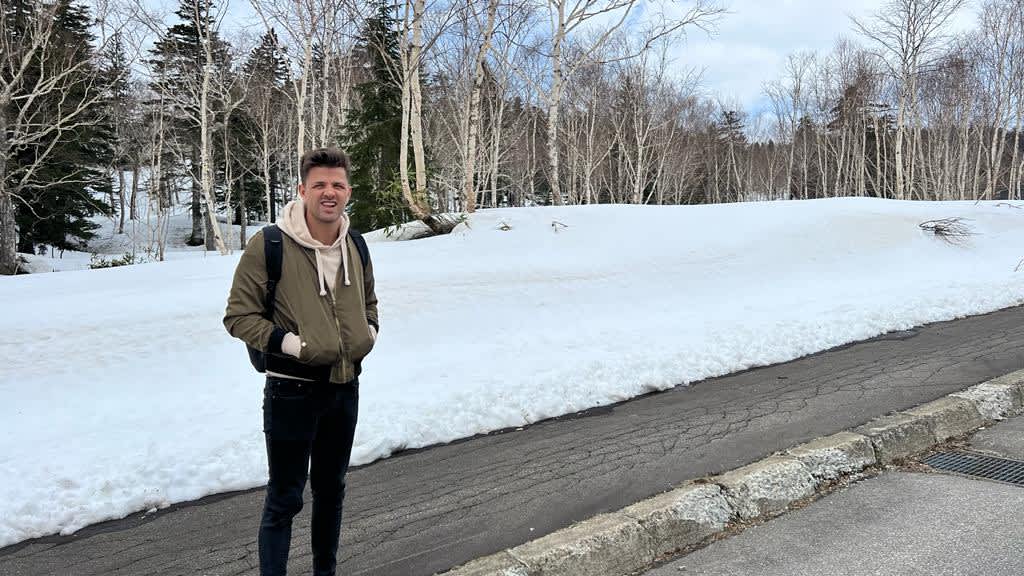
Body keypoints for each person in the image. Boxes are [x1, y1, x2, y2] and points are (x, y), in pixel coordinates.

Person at [224, 147, 378, 576]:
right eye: (320, 185)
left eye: (338, 185)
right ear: (302, 190)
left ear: (348, 191)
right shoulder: (269, 245)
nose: (329, 193)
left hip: (345, 388)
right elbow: (238, 316)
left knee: (331, 492)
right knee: (286, 497)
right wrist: (291, 345)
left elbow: (369, 302)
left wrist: (370, 333)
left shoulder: (357, 245)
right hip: (291, 391)